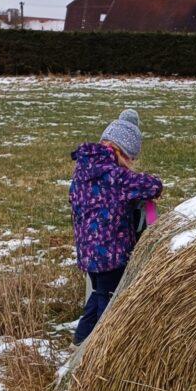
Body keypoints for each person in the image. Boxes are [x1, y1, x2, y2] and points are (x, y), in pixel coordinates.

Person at [69, 107, 164, 344]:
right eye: (130, 158)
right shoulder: (115, 176)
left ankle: (81, 340)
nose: (131, 164)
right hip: (111, 253)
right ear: (119, 151)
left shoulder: (83, 169)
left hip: (88, 251)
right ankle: (101, 346)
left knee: (99, 293)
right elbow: (153, 186)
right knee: (109, 301)